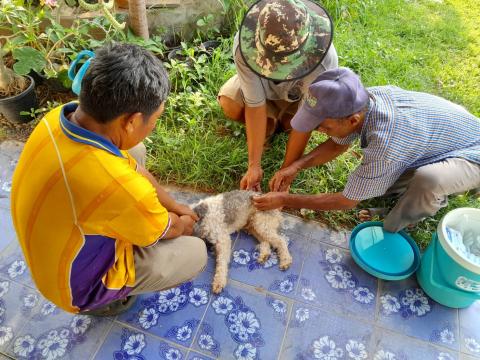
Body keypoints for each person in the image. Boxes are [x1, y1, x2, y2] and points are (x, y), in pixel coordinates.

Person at [10, 43, 207, 315]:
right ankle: (102, 302)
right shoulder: (121, 188)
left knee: (133, 151)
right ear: (131, 121)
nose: (154, 126)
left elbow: (132, 169)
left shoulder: (58, 117)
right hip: (74, 289)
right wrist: (184, 220)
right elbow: (171, 229)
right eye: (155, 119)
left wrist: (174, 204)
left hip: (49, 249)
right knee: (195, 252)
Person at [253, 67, 480, 232]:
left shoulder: (386, 144)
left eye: (322, 125)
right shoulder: (361, 100)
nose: (317, 129)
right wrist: (296, 166)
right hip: (435, 141)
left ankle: (401, 222)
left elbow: (347, 201)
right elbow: (336, 143)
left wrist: (286, 199)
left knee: (428, 180)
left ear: (353, 120)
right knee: (378, 182)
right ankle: (407, 193)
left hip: (472, 155)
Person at [218, 0, 338, 191]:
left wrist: (286, 174)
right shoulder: (244, 45)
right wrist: (254, 166)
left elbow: (306, 119)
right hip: (265, 95)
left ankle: (277, 122)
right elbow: (254, 103)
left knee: (301, 123)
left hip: (296, 99)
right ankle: (271, 121)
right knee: (229, 102)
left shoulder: (323, 60)